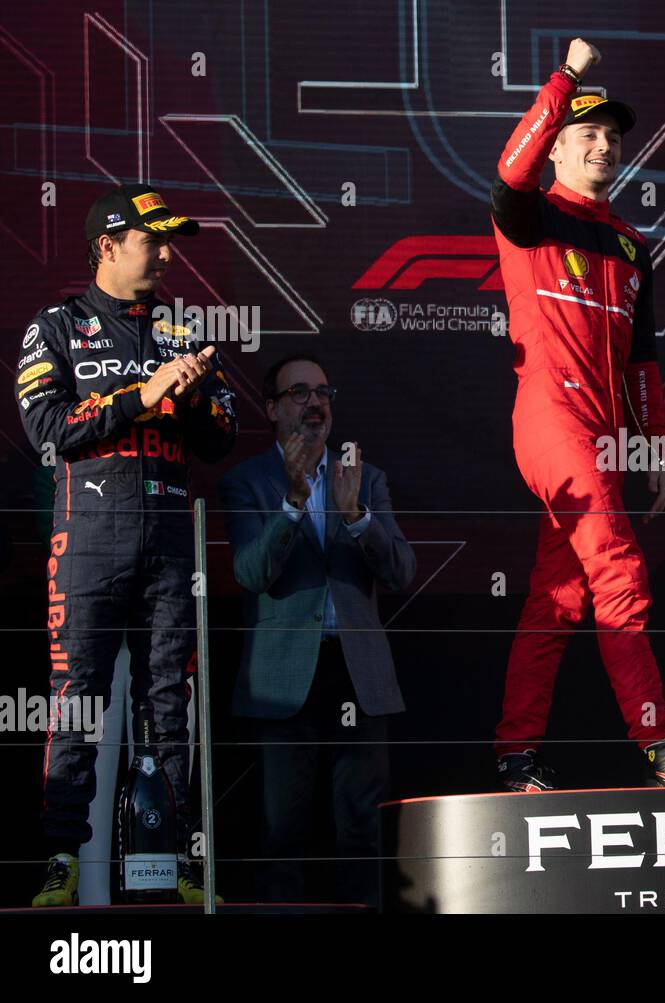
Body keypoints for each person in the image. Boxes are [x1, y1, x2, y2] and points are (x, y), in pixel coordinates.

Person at [18, 183, 238, 906]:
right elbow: (48, 431)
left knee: (170, 701)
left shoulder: (180, 332)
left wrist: (199, 395)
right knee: (74, 700)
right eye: (154, 240)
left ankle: (177, 861)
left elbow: (223, 438)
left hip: (172, 540)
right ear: (107, 245)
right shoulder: (55, 326)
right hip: (85, 541)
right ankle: (57, 859)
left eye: (171, 241)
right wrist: (143, 395)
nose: (168, 255)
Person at [489, 37, 665, 791]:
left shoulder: (632, 244)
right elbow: (509, 170)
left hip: (604, 439)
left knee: (558, 597)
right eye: (587, 133)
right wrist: (565, 78)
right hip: (549, 421)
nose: (604, 145)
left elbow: (642, 361)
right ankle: (663, 746)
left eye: (613, 136)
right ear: (557, 147)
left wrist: (655, 447)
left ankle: (515, 753)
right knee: (619, 574)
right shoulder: (529, 216)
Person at [219, 354, 416, 906]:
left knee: (362, 830)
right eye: (300, 392)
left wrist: (356, 517)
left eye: (323, 392)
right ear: (272, 407)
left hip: (358, 678)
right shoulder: (246, 482)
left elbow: (400, 572)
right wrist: (294, 503)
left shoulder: (365, 478)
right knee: (282, 831)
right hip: (282, 685)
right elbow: (251, 573)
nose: (315, 403)